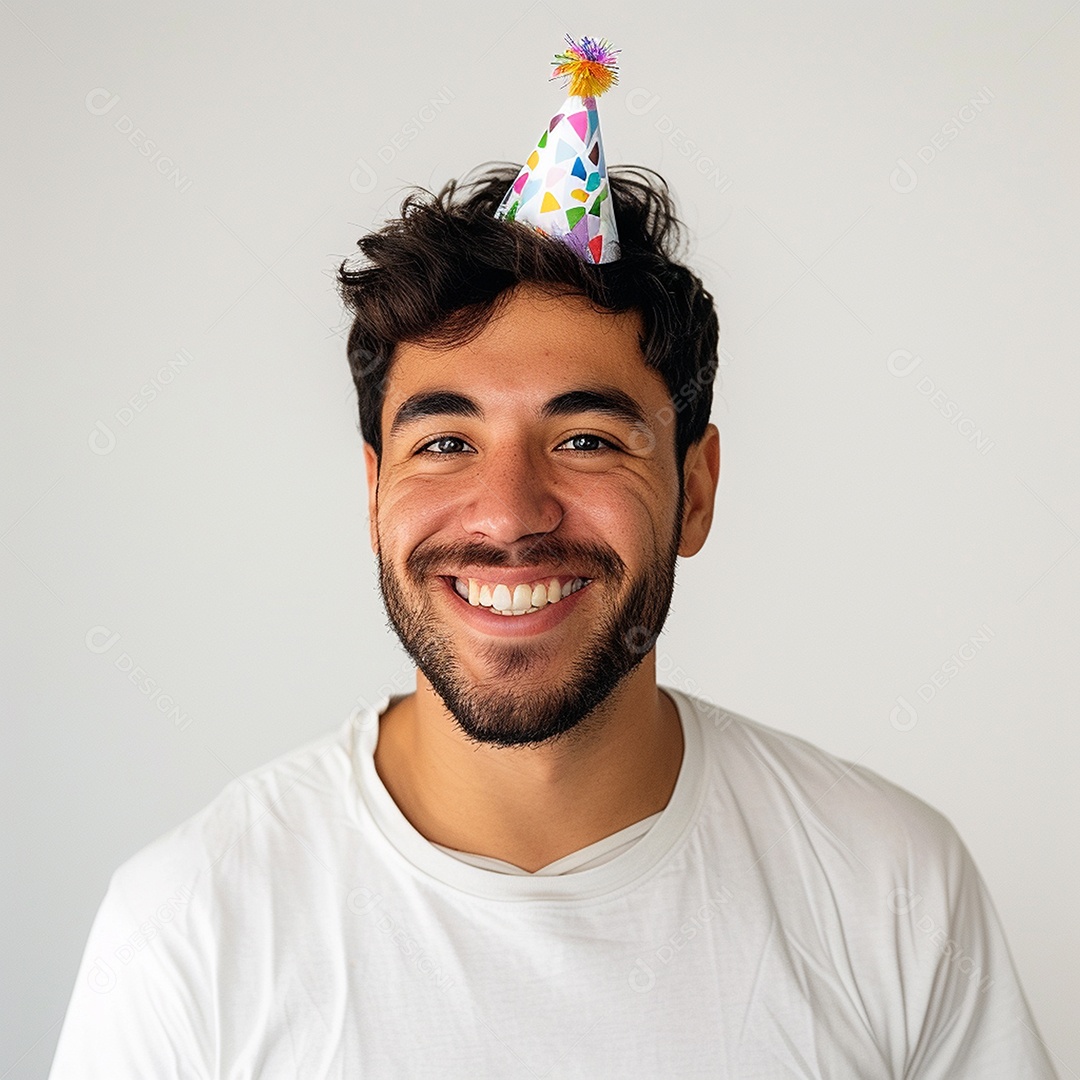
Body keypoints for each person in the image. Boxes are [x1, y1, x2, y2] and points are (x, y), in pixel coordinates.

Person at [48, 161, 1056, 1078]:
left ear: (695, 491)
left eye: (583, 438)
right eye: (446, 442)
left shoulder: (893, 889)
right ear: (372, 497)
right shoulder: (187, 928)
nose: (509, 515)